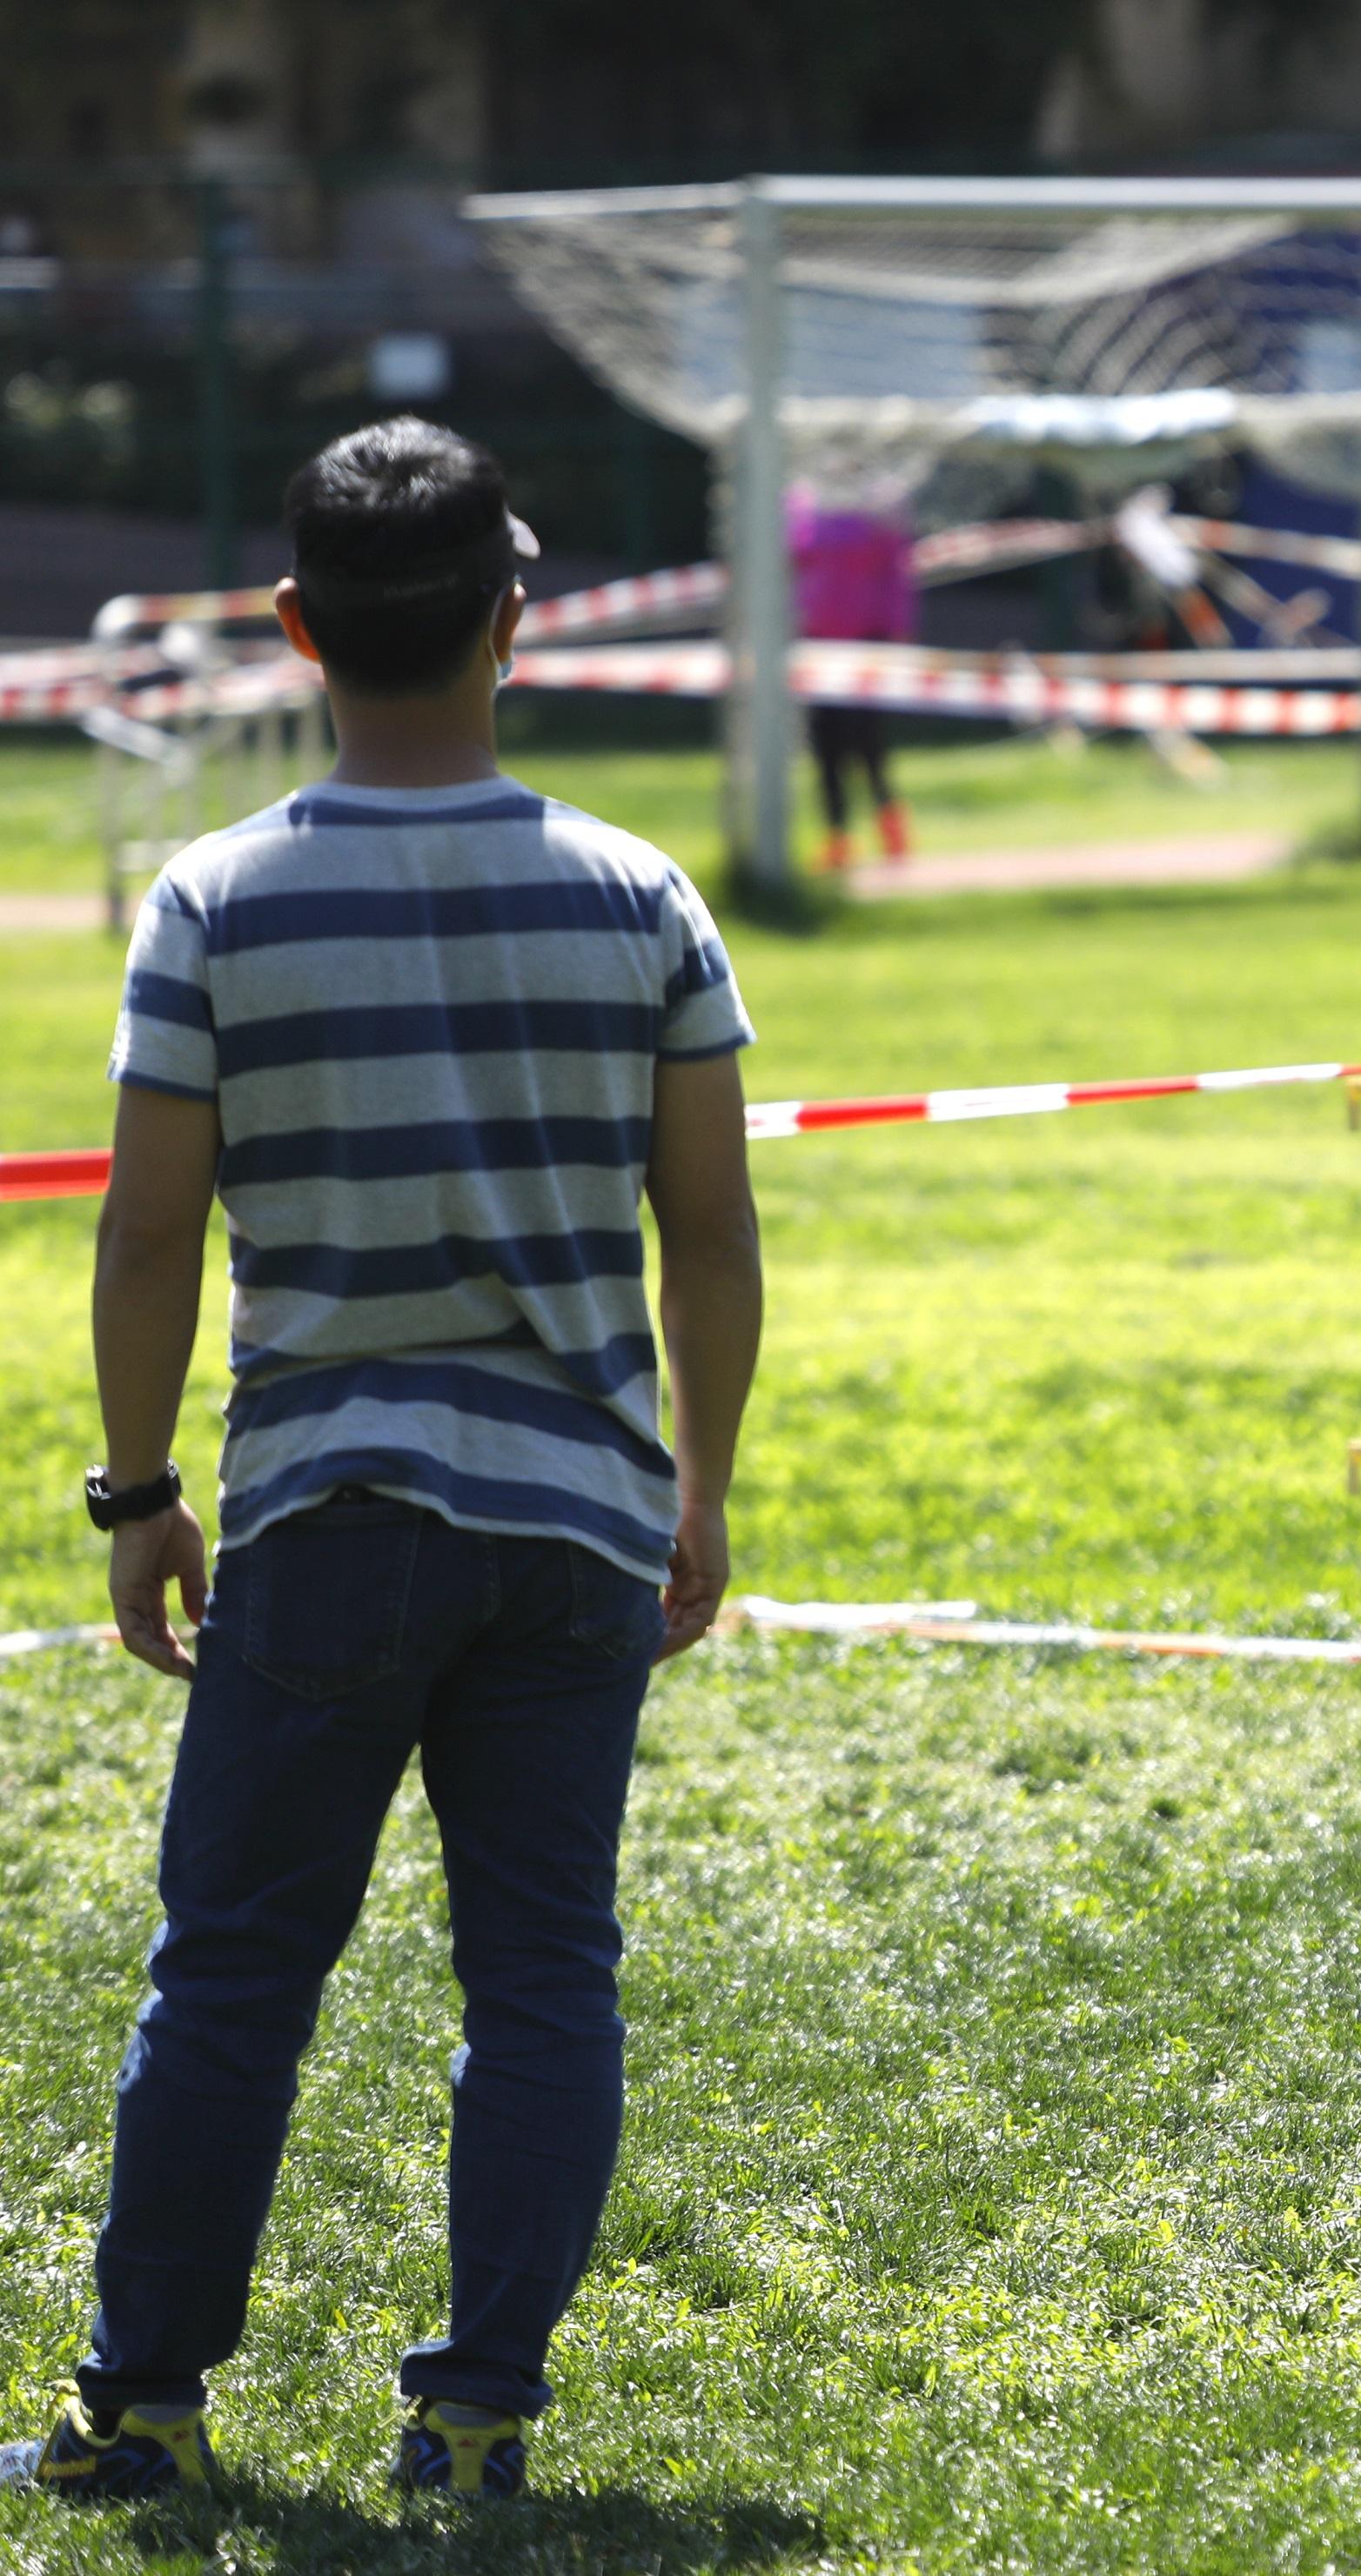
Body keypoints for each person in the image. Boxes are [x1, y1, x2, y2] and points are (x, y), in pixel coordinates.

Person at [5, 418, 762, 2508]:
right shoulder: (642, 894)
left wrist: (137, 1490)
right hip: (577, 1520)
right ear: (515, 623)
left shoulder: (213, 898)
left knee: (235, 1970)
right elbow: (710, 1229)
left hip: (326, 1514)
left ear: (290, 628)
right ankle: (480, 2415)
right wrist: (697, 1486)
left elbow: (148, 1232)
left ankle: (143, 2407)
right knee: (544, 1975)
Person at [787, 478, 919, 871]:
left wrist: (898, 629)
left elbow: (896, 573)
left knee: (866, 739)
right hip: (816, 641)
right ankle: (838, 836)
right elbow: (791, 561)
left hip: (866, 640)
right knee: (826, 743)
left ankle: (889, 821)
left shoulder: (880, 502)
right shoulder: (802, 502)